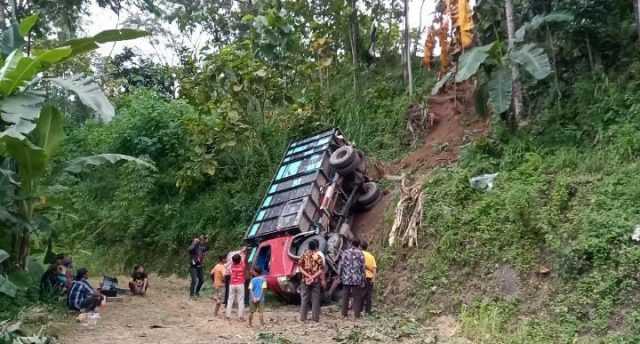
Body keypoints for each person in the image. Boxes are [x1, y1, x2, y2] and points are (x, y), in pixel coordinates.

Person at [338, 239, 366, 319]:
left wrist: (339, 275)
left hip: (346, 278)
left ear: (351, 243)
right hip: (356, 279)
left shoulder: (345, 252)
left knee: (345, 296)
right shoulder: (361, 253)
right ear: (358, 245)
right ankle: (356, 315)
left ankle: (344, 314)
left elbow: (341, 265)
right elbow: (362, 267)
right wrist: (363, 279)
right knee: (357, 297)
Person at [299, 239, 324, 322]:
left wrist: (308, 276)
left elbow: (300, 268)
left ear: (308, 246)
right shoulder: (318, 256)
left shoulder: (303, 255)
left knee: (304, 299)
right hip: (315, 280)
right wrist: (312, 277)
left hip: (305, 280)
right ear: (316, 247)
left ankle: (303, 318)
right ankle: (315, 318)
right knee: (315, 299)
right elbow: (321, 270)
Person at [226, 254, 246, 320]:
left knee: (230, 299)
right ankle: (240, 316)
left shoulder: (231, 265)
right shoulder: (242, 265)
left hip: (232, 284)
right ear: (240, 260)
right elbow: (243, 258)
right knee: (240, 300)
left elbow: (232, 261)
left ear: (233, 260)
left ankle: (228, 315)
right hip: (240, 284)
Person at [361, 241, 377, 315]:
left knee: (360, 294)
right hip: (369, 278)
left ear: (360, 247)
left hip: (360, 277)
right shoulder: (371, 256)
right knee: (368, 295)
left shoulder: (359, 254)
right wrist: (374, 278)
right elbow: (374, 269)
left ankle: (359, 310)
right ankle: (368, 311)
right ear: (367, 247)